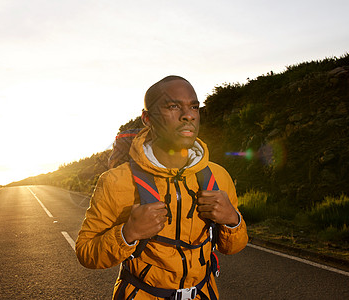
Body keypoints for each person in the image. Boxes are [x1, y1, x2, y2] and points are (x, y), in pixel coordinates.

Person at [76, 76, 248, 300]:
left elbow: (233, 247)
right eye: (173, 106)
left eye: (194, 106)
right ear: (147, 118)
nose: (188, 115)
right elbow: (86, 253)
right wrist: (128, 234)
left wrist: (232, 220)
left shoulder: (218, 176)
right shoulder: (115, 181)